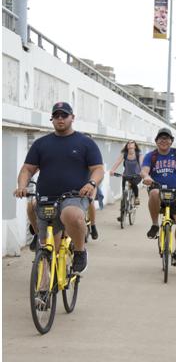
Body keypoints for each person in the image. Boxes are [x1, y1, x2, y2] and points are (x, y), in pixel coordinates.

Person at [14, 101, 104, 274]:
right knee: (49, 248)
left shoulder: (85, 143)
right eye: (56, 116)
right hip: (47, 198)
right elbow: (27, 169)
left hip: (75, 196)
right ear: (52, 119)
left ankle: (79, 251)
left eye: (64, 115)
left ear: (72, 118)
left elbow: (98, 169)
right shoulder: (41, 144)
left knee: (72, 215)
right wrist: (22, 185)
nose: (60, 119)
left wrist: (91, 183)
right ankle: (43, 293)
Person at [141, 127, 176, 268]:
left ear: (171, 141)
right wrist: (146, 177)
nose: (164, 141)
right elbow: (144, 170)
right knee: (153, 192)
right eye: (161, 138)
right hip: (158, 190)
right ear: (156, 141)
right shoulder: (151, 156)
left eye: (167, 139)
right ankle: (154, 224)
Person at [110, 140, 143, 219]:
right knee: (123, 195)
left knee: (133, 184)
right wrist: (112, 170)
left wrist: (143, 173)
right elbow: (118, 162)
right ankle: (122, 215)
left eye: (132, 143)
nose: (130, 144)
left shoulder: (139, 154)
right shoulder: (124, 154)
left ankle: (136, 197)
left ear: (135, 146)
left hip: (137, 175)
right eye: (129, 143)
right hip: (126, 175)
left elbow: (142, 165)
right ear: (127, 146)